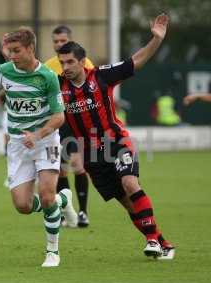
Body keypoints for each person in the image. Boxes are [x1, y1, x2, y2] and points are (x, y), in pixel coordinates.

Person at [0, 27, 78, 267]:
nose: (11, 55)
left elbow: (59, 117)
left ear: (31, 48)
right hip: (19, 144)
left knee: (47, 195)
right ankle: (64, 200)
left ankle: (52, 251)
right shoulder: (4, 72)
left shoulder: (48, 77)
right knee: (23, 205)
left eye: (16, 51)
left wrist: (39, 134)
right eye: (9, 51)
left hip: (46, 141)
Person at [56, 14, 175, 259]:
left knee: (130, 183)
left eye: (69, 62)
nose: (65, 67)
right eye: (62, 62)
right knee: (128, 203)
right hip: (90, 154)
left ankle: (152, 241)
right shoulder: (58, 86)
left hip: (116, 142)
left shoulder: (100, 76)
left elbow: (136, 61)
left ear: (82, 62)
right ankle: (162, 242)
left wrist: (156, 39)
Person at [45, 25, 94, 227]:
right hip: (59, 123)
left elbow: (93, 89)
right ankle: (67, 212)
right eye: (56, 41)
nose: (59, 44)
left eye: (63, 41)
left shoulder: (85, 63)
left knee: (77, 165)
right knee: (61, 170)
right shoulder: (48, 65)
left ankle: (83, 212)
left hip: (78, 121)